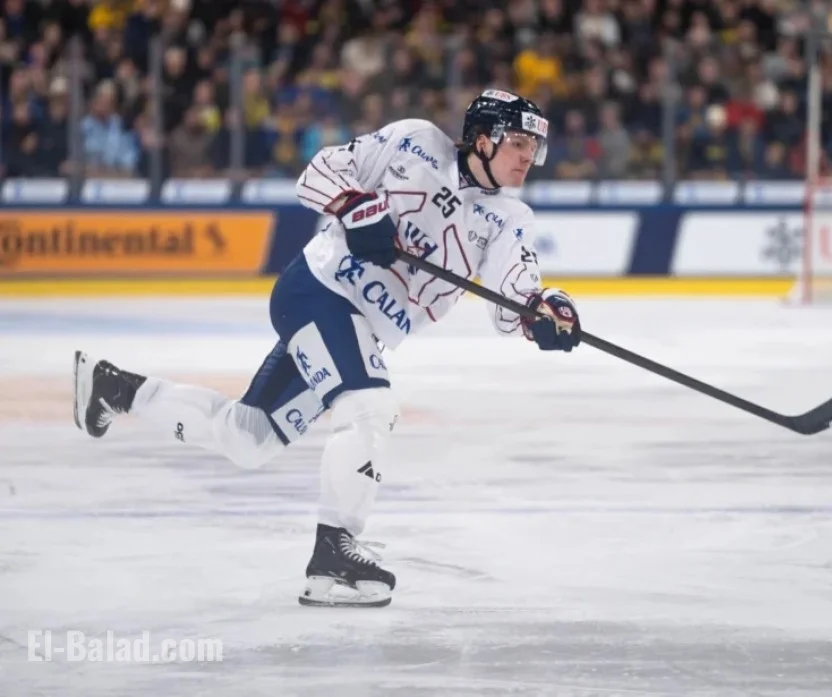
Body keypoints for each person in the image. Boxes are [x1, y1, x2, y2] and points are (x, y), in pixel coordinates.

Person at [73, 89, 583, 607]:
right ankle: (333, 554)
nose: (528, 157)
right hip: (319, 291)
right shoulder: (415, 141)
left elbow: (513, 301)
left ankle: (114, 389)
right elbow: (318, 173)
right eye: (518, 142)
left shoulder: (511, 218)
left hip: (361, 330)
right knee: (369, 405)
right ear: (482, 139)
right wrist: (357, 208)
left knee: (247, 437)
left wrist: (545, 313)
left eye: (533, 147)